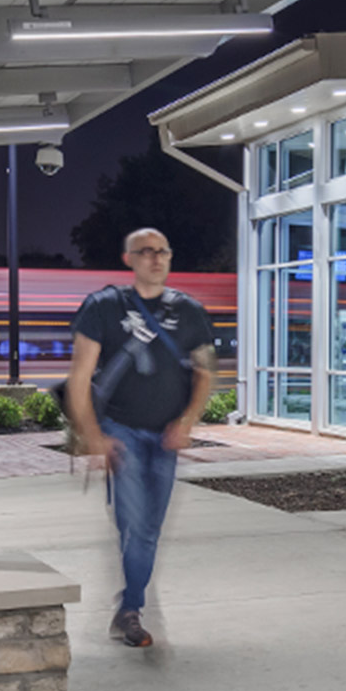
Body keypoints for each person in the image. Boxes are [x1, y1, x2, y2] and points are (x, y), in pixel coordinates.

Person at [64, 228, 214, 647]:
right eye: (145, 252)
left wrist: (186, 422)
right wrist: (93, 435)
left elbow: (204, 372)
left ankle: (129, 601)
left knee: (149, 527)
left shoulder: (189, 312)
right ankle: (130, 609)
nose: (155, 258)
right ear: (128, 259)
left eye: (162, 251)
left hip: (165, 438)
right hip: (121, 432)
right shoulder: (103, 307)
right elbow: (79, 378)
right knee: (136, 526)